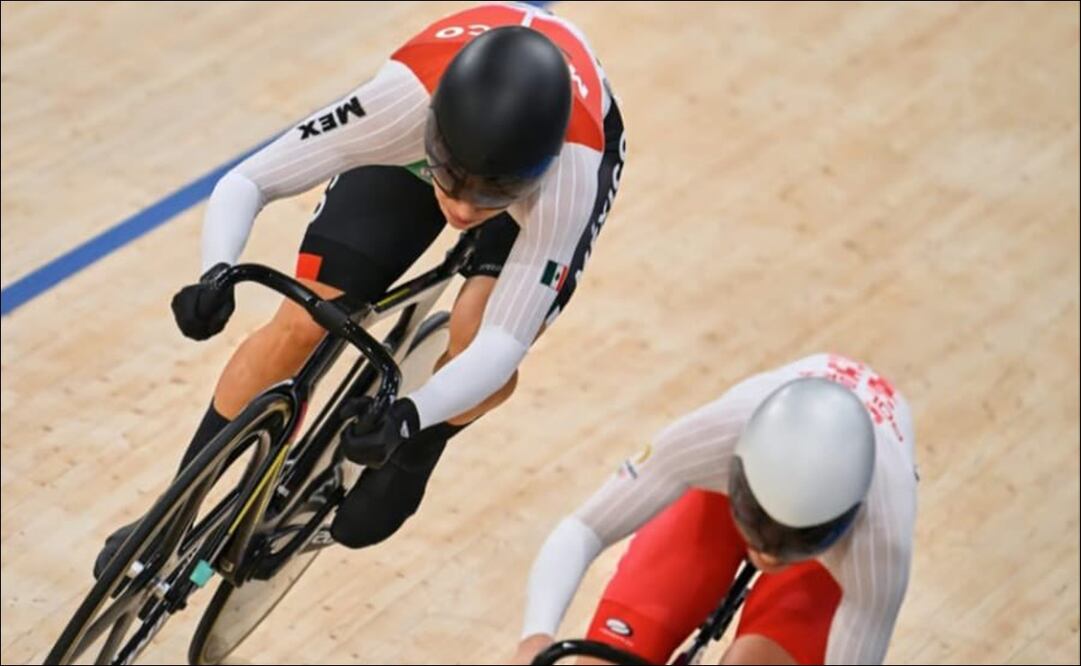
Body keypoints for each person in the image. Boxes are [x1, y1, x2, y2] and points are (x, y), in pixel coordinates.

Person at [94, 2, 626, 576]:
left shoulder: (569, 176)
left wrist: (414, 421)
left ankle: (429, 445)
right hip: (421, 142)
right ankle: (176, 507)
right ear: (432, 132)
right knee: (303, 318)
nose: (466, 209)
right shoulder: (397, 104)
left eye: (491, 196)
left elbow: (503, 346)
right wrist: (216, 270)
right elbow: (250, 180)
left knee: (475, 337)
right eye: (451, 181)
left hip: (557, 160)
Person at [513, 353, 918, 665]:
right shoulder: (714, 436)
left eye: (791, 541)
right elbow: (585, 529)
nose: (769, 553)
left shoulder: (882, 536)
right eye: (759, 523)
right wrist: (535, 637)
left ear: (849, 515)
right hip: (720, 502)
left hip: (829, 560)